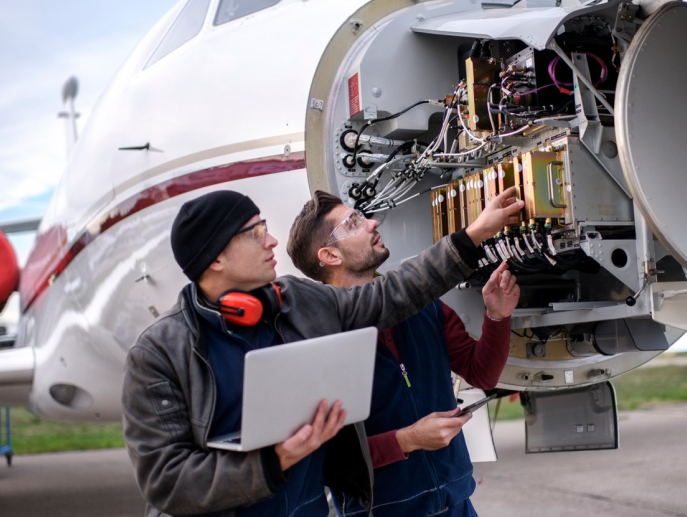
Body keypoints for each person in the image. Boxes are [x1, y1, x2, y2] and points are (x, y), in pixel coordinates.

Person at [121, 187, 523, 517]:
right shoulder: (158, 354)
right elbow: (166, 481)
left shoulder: (298, 303)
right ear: (217, 258)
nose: (271, 239)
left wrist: (472, 237)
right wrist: (272, 461)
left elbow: (394, 294)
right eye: (255, 231)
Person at [287, 192, 518, 517]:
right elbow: (326, 457)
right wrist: (407, 440)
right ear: (330, 255)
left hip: (458, 503)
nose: (372, 223)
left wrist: (497, 316)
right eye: (354, 223)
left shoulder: (425, 307)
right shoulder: (316, 340)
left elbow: (481, 373)